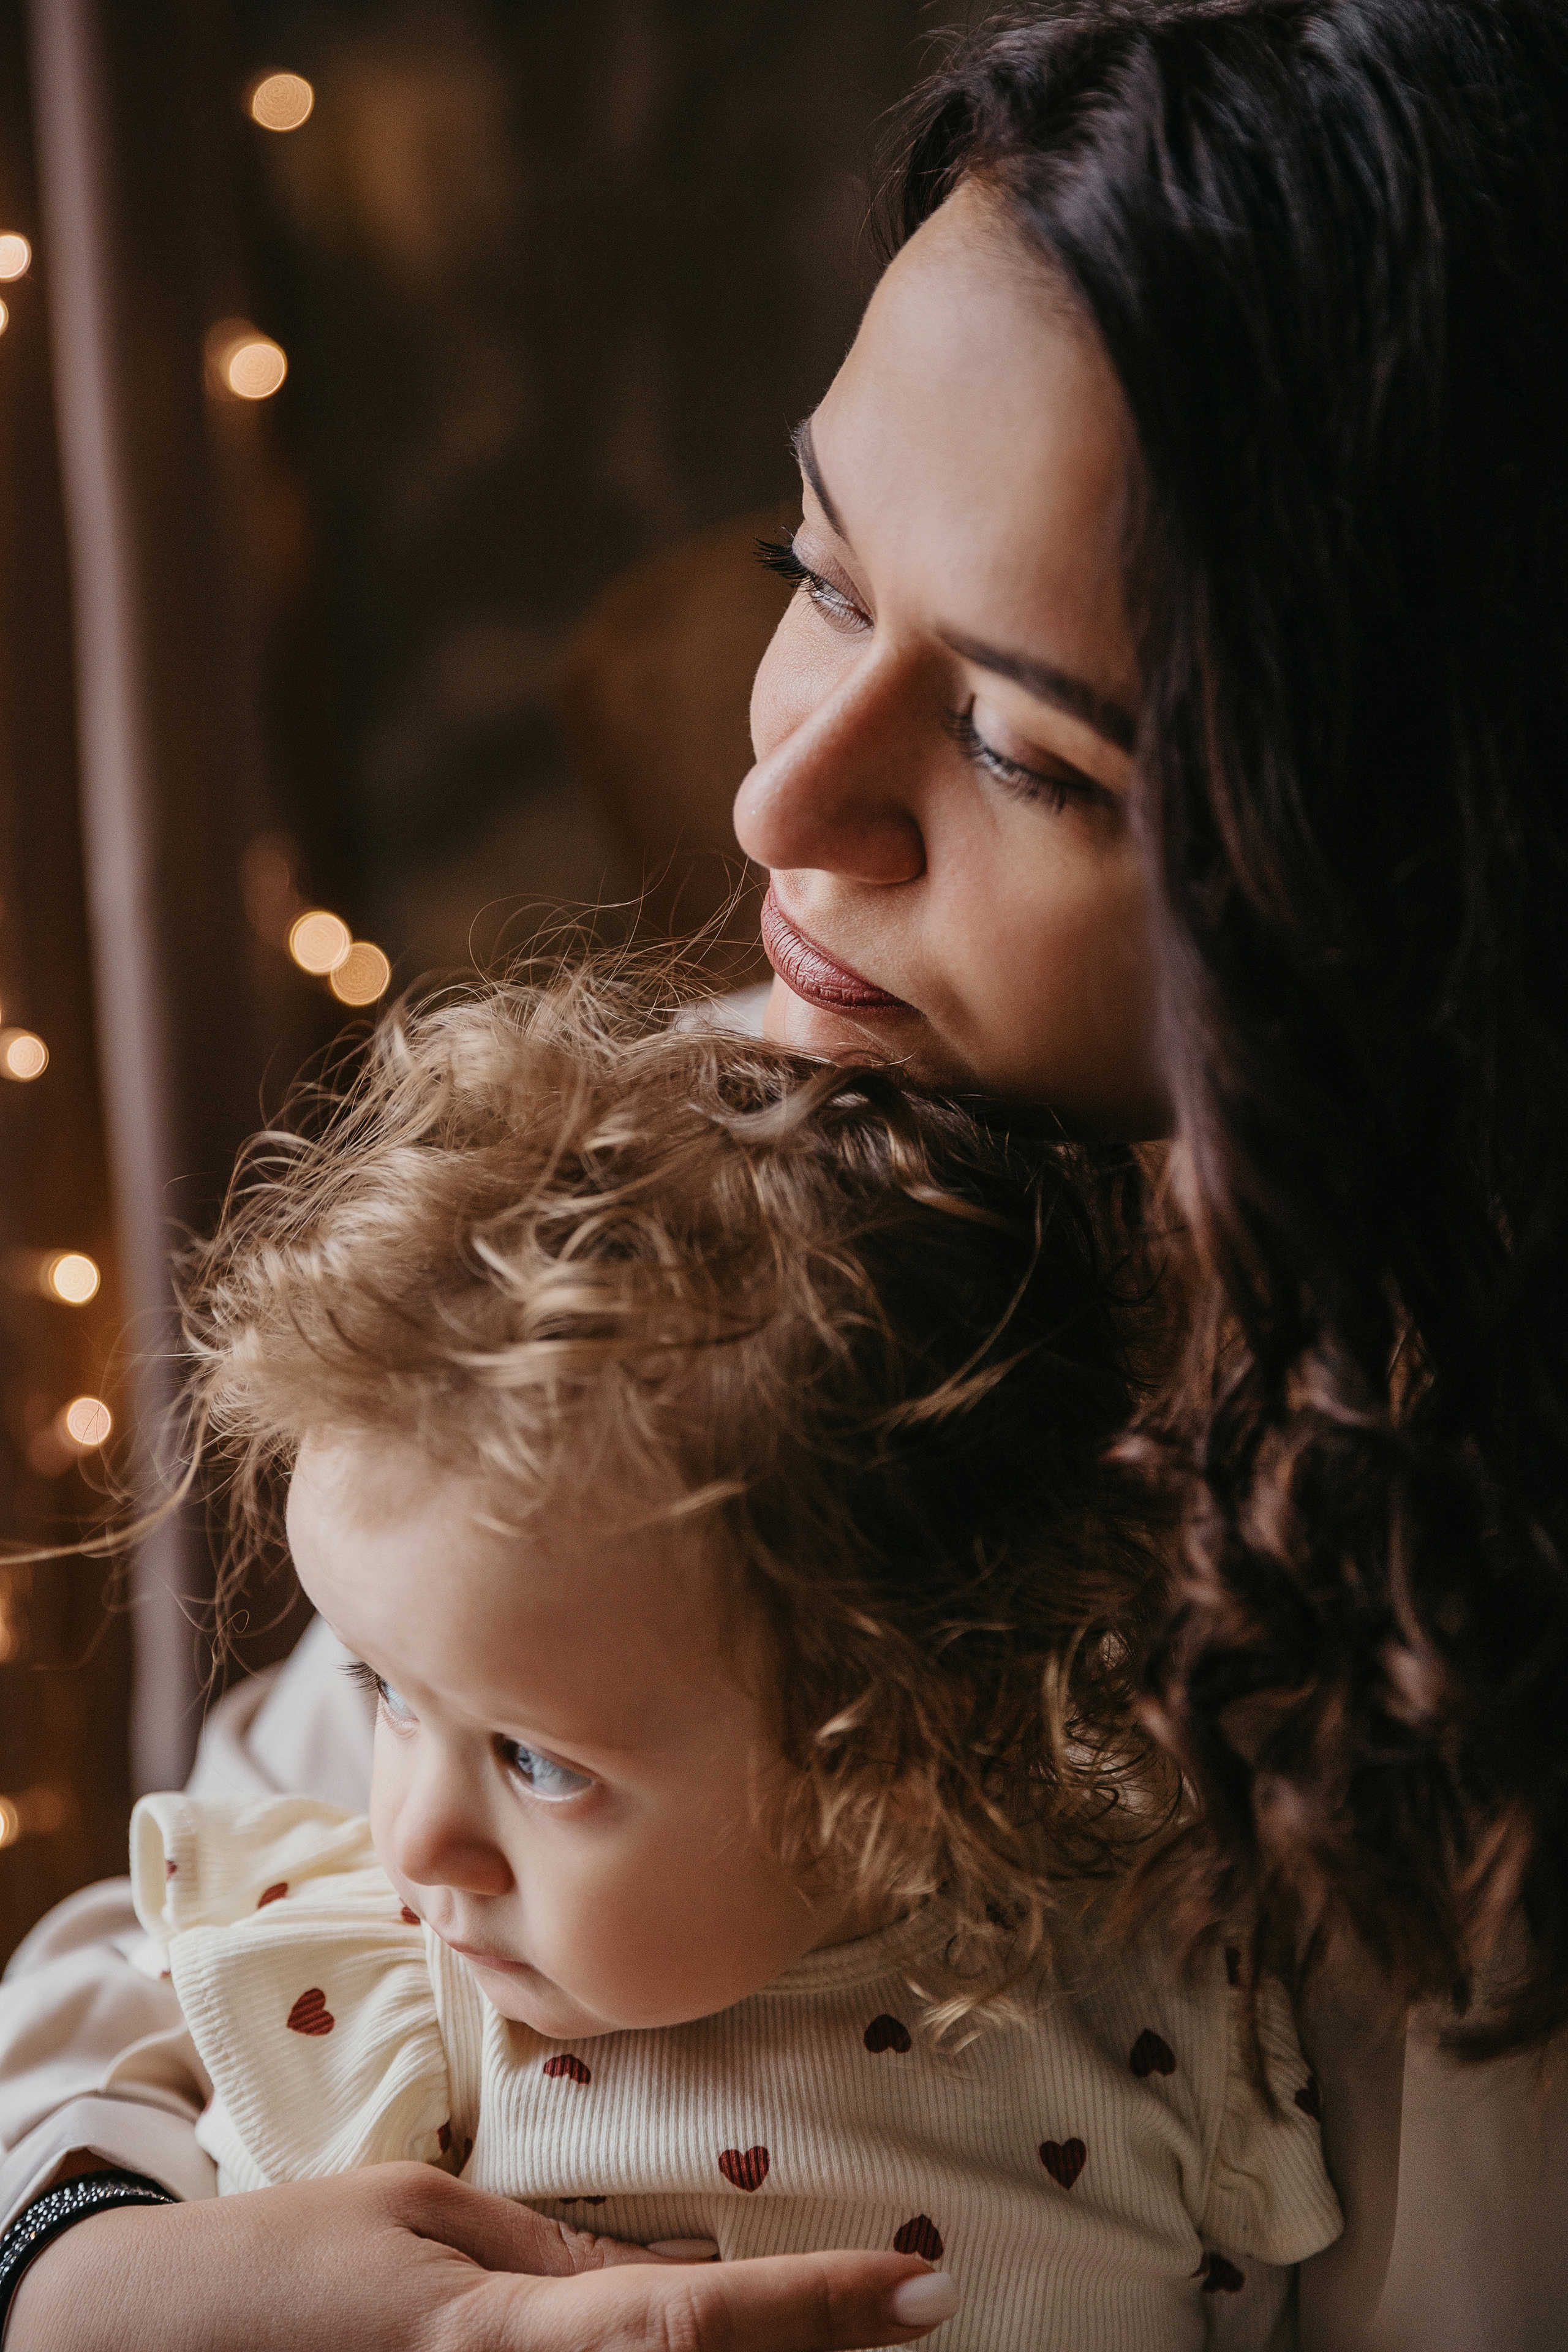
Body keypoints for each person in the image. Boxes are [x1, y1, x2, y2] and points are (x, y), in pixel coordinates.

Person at [4, 0, 1566, 2342]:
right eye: (820, 576)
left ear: (1415, 872)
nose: (779, 807)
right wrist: (115, 2268)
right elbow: (204, 1912)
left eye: (1029, 753)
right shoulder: (724, 1203)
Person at [105, 962, 1338, 2350]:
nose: (416, 1839)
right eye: (381, 1694)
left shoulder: (1160, 2001)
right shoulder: (375, 2017)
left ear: (896, 1752)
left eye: (534, 1761)